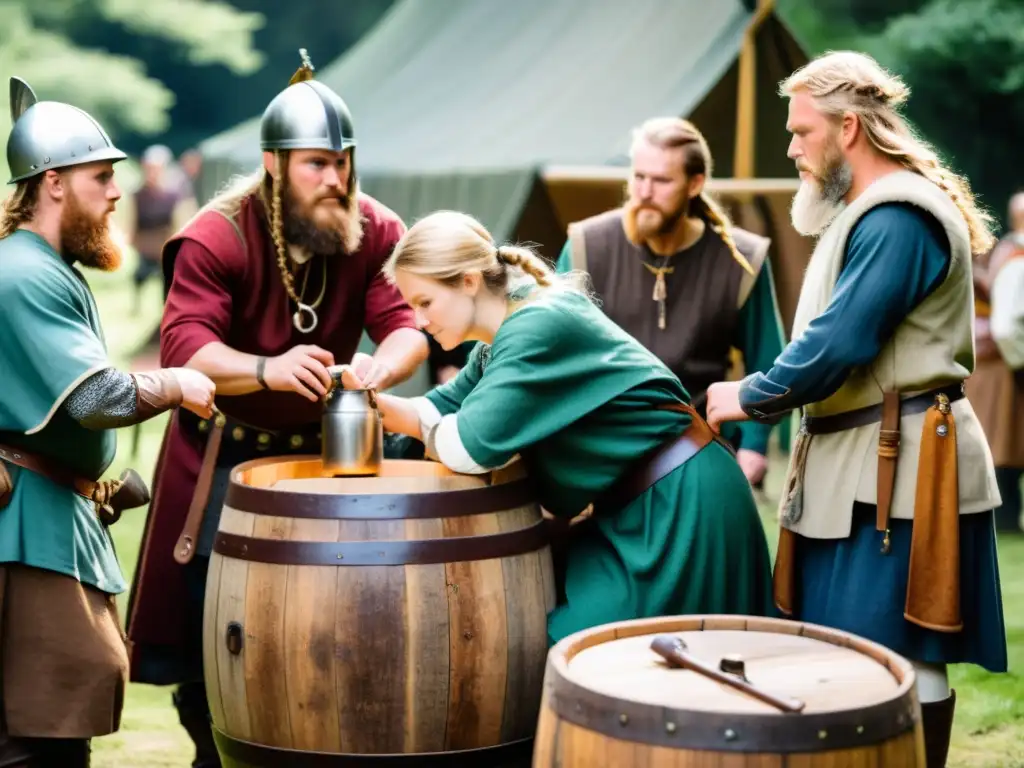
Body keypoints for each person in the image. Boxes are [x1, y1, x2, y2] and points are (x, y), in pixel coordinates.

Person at [124, 53, 429, 767]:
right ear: (273, 162)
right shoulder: (217, 232)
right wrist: (267, 367)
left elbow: (407, 322)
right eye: (316, 163)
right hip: (219, 454)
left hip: (325, 456)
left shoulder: (375, 227)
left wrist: (379, 368)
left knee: (325, 630)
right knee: (207, 640)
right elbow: (183, 347)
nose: (336, 179)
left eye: (343, 161)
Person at [704, 51, 1006, 768]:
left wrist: (749, 395)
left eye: (801, 131)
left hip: (903, 470)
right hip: (860, 463)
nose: (792, 148)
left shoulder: (898, 215)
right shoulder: (866, 211)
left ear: (848, 129)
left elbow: (842, 342)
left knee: (901, 653)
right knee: (850, 650)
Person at [337, 209, 774, 646]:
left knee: (607, 658)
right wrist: (364, 396)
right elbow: (435, 410)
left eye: (424, 302)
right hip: (640, 509)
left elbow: (467, 446)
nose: (418, 321)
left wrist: (417, 422)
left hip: (681, 508)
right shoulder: (500, 341)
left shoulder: (537, 324)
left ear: (469, 281)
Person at [0, 77, 215, 767]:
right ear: (53, 182)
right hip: (22, 528)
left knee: (53, 723)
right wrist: (176, 381)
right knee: (37, 738)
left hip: (47, 516)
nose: (117, 191)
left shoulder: (42, 266)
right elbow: (96, 399)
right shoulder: (24, 273)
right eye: (102, 176)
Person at [556, 117, 786, 488]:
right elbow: (555, 352)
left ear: (695, 184)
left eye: (661, 180)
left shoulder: (741, 260)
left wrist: (755, 445)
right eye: (638, 176)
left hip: (698, 451)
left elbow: (769, 362)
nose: (644, 191)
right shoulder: (587, 247)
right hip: (599, 453)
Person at [966, 192, 1024, 533]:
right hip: (1001, 367)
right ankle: (1001, 521)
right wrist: (1018, 363)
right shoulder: (1015, 258)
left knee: (1004, 446)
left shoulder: (1008, 254)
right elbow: (1005, 325)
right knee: (1001, 445)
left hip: (998, 363)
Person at [129, 144, 182, 313]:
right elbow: (133, 221)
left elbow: (178, 221)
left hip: (164, 245)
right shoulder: (137, 194)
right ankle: (137, 307)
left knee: (167, 279)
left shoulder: (173, 194)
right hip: (145, 245)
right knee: (140, 276)